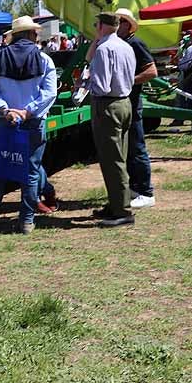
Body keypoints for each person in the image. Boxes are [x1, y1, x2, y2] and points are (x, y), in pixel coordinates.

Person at [0, 16, 58, 235]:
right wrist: (26, 111)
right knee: (31, 172)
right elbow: (49, 93)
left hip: (6, 121)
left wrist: (5, 110)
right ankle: (26, 221)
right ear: (31, 34)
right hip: (33, 123)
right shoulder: (43, 60)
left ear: (14, 35)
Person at [86, 12, 136, 227]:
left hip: (107, 105)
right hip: (124, 102)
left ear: (101, 26)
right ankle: (116, 203)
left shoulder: (104, 49)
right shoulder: (126, 46)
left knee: (111, 160)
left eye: (96, 24)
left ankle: (122, 211)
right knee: (119, 158)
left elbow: (102, 85)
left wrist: (87, 85)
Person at [114, 8, 158, 209]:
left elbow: (151, 72)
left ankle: (146, 192)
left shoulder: (136, 44)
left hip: (132, 103)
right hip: (125, 104)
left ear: (128, 25)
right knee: (130, 149)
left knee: (137, 148)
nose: (117, 25)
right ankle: (135, 187)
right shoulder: (122, 44)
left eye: (120, 21)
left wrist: (128, 82)